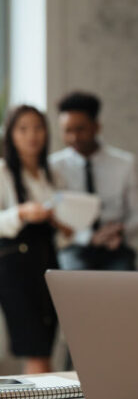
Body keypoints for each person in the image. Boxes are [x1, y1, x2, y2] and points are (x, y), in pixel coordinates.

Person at [0, 105, 71, 373]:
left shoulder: (50, 174)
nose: (32, 135)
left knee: (45, 346)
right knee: (35, 349)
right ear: (11, 134)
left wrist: (64, 226)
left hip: (47, 262)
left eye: (38, 127)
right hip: (16, 267)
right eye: (23, 129)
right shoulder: (3, 172)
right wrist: (22, 212)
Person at [50, 91, 138, 271]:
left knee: (123, 286)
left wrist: (119, 232)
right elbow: (54, 220)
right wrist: (88, 237)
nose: (74, 137)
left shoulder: (125, 164)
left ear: (96, 127)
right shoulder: (54, 167)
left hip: (115, 246)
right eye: (67, 130)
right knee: (72, 282)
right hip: (74, 246)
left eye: (80, 129)